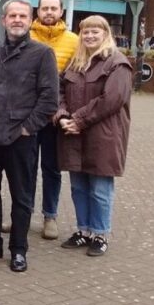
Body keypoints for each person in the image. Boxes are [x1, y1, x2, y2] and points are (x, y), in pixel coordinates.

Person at [0, 0, 58, 273]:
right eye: (12, 15)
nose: (17, 20)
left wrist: (28, 128)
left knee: (22, 197)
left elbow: (49, 99)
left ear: (31, 20)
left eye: (23, 16)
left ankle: (18, 249)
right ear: (4, 20)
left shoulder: (42, 54)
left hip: (21, 139)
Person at [56, 15, 132, 257]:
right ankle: (84, 231)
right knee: (78, 187)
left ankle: (100, 234)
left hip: (103, 136)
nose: (89, 36)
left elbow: (112, 99)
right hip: (74, 135)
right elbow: (59, 91)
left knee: (100, 188)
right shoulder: (75, 63)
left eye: (95, 32)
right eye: (85, 32)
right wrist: (62, 116)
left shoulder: (117, 63)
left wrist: (78, 120)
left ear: (105, 34)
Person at [27, 0, 79, 240]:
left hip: (54, 118)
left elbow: (75, 80)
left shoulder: (74, 41)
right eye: (44, 8)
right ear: (38, 11)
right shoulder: (26, 35)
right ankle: (22, 213)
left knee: (51, 168)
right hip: (26, 116)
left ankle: (50, 216)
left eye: (53, 8)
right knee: (24, 168)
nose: (48, 12)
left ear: (61, 11)